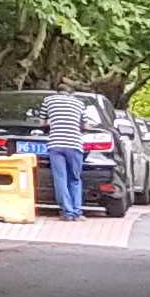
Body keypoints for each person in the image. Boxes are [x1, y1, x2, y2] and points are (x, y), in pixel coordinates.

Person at [28, 81, 91, 219]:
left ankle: (67, 212)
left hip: (55, 144)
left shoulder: (48, 101)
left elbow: (42, 123)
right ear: (71, 93)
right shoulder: (79, 103)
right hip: (74, 144)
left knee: (60, 178)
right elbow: (86, 125)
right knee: (74, 179)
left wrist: (54, 121)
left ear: (57, 91)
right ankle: (77, 211)